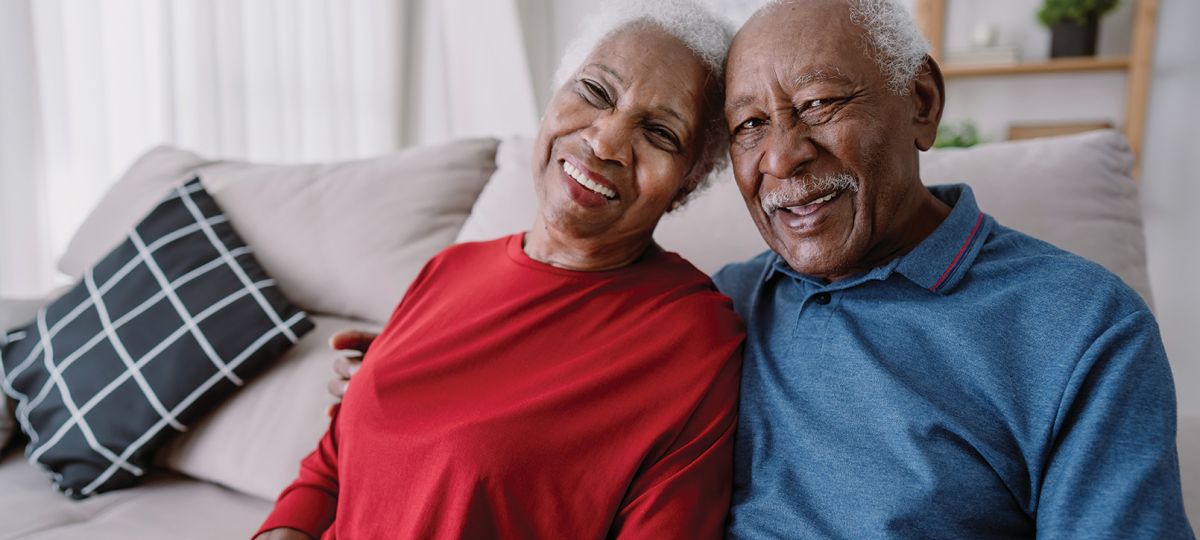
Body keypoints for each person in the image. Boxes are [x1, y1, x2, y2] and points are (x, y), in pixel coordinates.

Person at [253, 2, 743, 539]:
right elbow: (330, 467)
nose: (604, 141)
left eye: (659, 133)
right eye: (596, 92)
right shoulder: (449, 268)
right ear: (554, 98)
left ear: (687, 184)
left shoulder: (691, 337)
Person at [716, 0, 1193, 537]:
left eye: (819, 103)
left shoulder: (1085, 325)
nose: (780, 159)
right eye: (750, 124)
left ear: (921, 102)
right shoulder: (719, 307)